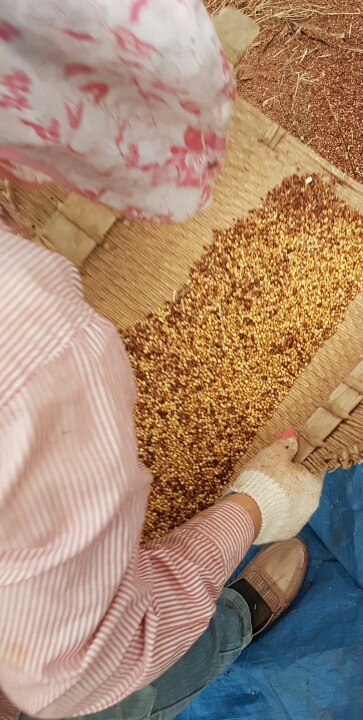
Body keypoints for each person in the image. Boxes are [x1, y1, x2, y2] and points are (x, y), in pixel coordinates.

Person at [0, 2, 323, 719]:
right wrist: (252, 507)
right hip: (48, 678)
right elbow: (76, 669)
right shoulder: (39, 341)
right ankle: (233, 621)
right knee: (136, 684)